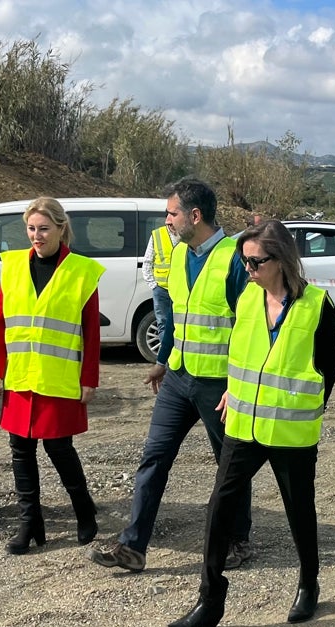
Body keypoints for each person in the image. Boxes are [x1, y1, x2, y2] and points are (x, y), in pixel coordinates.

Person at [168, 220, 335, 627]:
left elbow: (327, 369)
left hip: (290, 431)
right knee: (219, 508)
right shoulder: (247, 297)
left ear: (281, 259)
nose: (248, 268)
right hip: (242, 424)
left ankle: (308, 583)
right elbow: (240, 350)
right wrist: (231, 388)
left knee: (300, 511)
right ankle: (210, 601)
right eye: (244, 261)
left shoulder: (317, 305)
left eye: (255, 261)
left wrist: (305, 403)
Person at [90, 177, 253, 572]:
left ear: (195, 216)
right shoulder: (179, 255)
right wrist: (163, 360)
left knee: (230, 466)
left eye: (172, 213)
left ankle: (237, 540)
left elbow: (251, 328)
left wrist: (239, 386)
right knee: (154, 458)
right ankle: (132, 546)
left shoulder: (235, 258)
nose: (167, 221)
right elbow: (175, 318)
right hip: (179, 378)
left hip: (219, 384)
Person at [0, 197, 102, 554]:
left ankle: (84, 511)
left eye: (44, 229)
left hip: (58, 376)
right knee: (20, 449)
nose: (36, 236)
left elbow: (91, 331)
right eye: (31, 229)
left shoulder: (82, 271)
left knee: (58, 447)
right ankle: (29, 522)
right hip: (20, 376)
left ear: (61, 228)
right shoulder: (14, 266)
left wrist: (89, 379)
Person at [142, 221, 177, 344]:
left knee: (181, 326)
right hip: (162, 290)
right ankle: (166, 359)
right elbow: (147, 262)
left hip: (181, 290)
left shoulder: (186, 235)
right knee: (164, 325)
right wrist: (154, 286)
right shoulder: (157, 235)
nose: (171, 223)